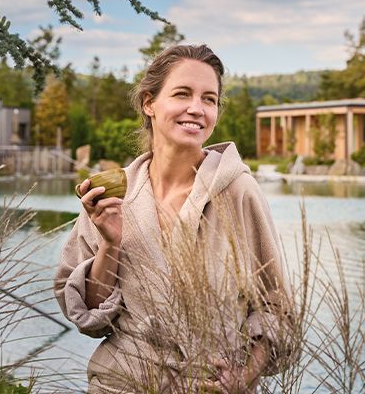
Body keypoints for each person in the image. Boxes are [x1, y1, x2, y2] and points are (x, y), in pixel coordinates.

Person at [55, 45, 293, 393]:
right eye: (182, 94)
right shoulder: (113, 194)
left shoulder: (239, 191)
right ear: (149, 103)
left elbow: (277, 309)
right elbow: (89, 317)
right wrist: (110, 242)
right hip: (121, 384)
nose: (196, 109)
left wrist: (240, 380)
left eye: (209, 99)